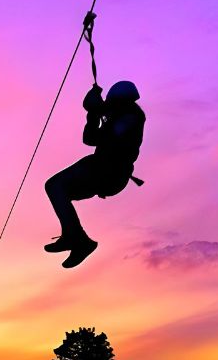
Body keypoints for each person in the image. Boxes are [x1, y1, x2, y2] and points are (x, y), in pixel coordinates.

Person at [44, 80, 146, 268]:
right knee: (56, 188)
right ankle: (74, 237)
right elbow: (89, 139)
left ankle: (77, 239)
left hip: (110, 172)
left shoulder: (133, 115)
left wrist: (98, 110)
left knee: (55, 186)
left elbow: (114, 134)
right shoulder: (116, 115)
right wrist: (92, 114)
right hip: (103, 170)